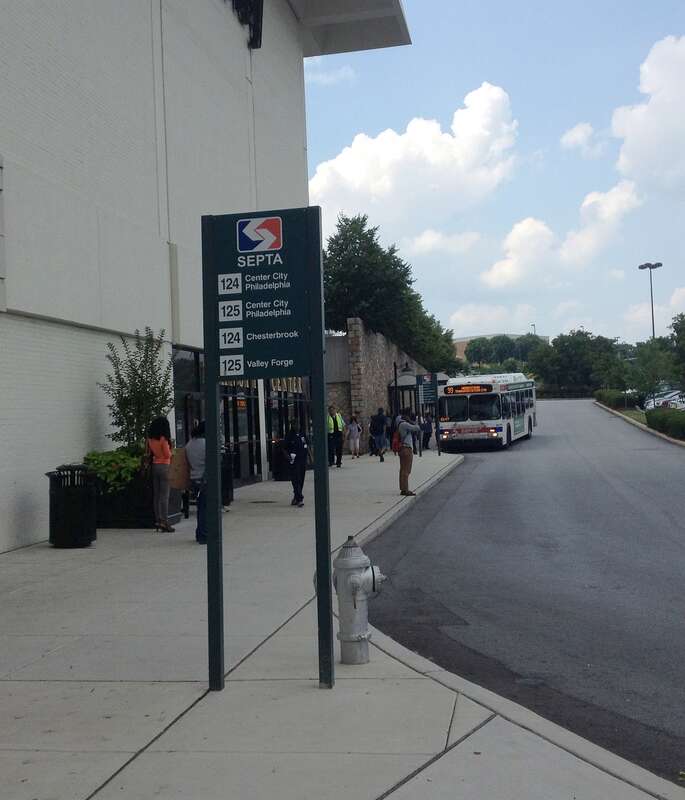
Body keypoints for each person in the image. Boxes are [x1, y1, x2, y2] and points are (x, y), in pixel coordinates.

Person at [147, 416, 174, 532]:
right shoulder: (163, 439)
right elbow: (168, 454)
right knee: (165, 495)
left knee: (156, 495)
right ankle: (165, 521)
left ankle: (158, 520)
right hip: (165, 466)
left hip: (155, 465)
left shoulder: (150, 439)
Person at [184, 422, 207, 544]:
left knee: (201, 507)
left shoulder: (189, 444)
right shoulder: (206, 444)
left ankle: (200, 533)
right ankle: (203, 534)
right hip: (205, 479)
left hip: (194, 478)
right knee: (206, 508)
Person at [283, 419, 308, 506]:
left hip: (303, 460)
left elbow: (307, 445)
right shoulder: (289, 435)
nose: (297, 426)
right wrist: (288, 458)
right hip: (294, 461)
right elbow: (284, 448)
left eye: (298, 424)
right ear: (292, 425)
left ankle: (296, 497)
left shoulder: (302, 434)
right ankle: (300, 499)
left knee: (301, 479)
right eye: (295, 425)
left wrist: (311, 458)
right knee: (295, 479)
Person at [397, 408, 421, 496]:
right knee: (406, 470)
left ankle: (402, 488)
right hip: (406, 449)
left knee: (402, 469)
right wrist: (411, 421)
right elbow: (417, 428)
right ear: (406, 415)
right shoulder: (404, 424)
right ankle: (406, 490)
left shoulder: (399, 422)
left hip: (401, 448)